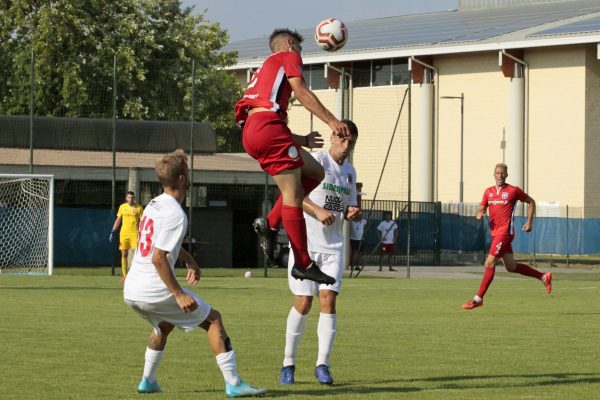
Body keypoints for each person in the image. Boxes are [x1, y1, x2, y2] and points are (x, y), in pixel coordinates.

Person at [123, 150, 266, 398]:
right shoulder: (176, 214)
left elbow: (158, 247)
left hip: (132, 290)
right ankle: (234, 384)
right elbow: (158, 258)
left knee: (163, 326)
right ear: (180, 178)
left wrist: (189, 260)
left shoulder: (153, 205)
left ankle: (148, 381)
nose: (190, 174)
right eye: (187, 171)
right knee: (213, 320)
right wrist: (178, 294)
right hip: (153, 288)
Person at [235, 28, 351, 286]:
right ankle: (302, 262)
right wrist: (332, 121)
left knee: (316, 172)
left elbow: (263, 115)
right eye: (299, 48)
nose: (301, 54)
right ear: (289, 44)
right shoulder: (287, 56)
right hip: (266, 129)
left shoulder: (264, 69)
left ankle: (270, 223)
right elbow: (302, 91)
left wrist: (302, 141)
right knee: (292, 194)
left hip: (258, 131)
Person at [279, 120, 360, 385]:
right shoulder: (316, 162)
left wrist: (351, 212)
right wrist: (317, 211)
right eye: (343, 139)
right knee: (304, 303)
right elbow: (293, 196)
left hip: (333, 247)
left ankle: (322, 364)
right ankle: (288, 364)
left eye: (351, 142)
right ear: (333, 137)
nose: (347, 146)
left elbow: (345, 207)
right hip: (307, 245)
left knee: (329, 300)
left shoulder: (350, 172)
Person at [462, 163, 552, 310]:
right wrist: (480, 212)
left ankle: (478, 298)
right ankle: (544, 277)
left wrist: (529, 222)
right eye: (498, 173)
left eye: (503, 173)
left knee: (489, 263)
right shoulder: (488, 192)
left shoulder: (513, 191)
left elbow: (531, 202)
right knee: (511, 267)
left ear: (507, 175)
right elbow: (482, 206)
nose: (500, 176)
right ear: (494, 174)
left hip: (505, 233)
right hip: (496, 234)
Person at [110, 191, 143, 281]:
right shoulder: (122, 207)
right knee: (124, 253)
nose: (131, 199)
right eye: (129, 197)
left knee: (137, 254)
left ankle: (136, 274)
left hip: (135, 233)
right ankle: (125, 275)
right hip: (124, 234)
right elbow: (118, 220)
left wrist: (143, 233)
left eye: (132, 197)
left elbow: (142, 222)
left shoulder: (139, 208)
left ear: (134, 198)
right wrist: (113, 231)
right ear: (126, 198)